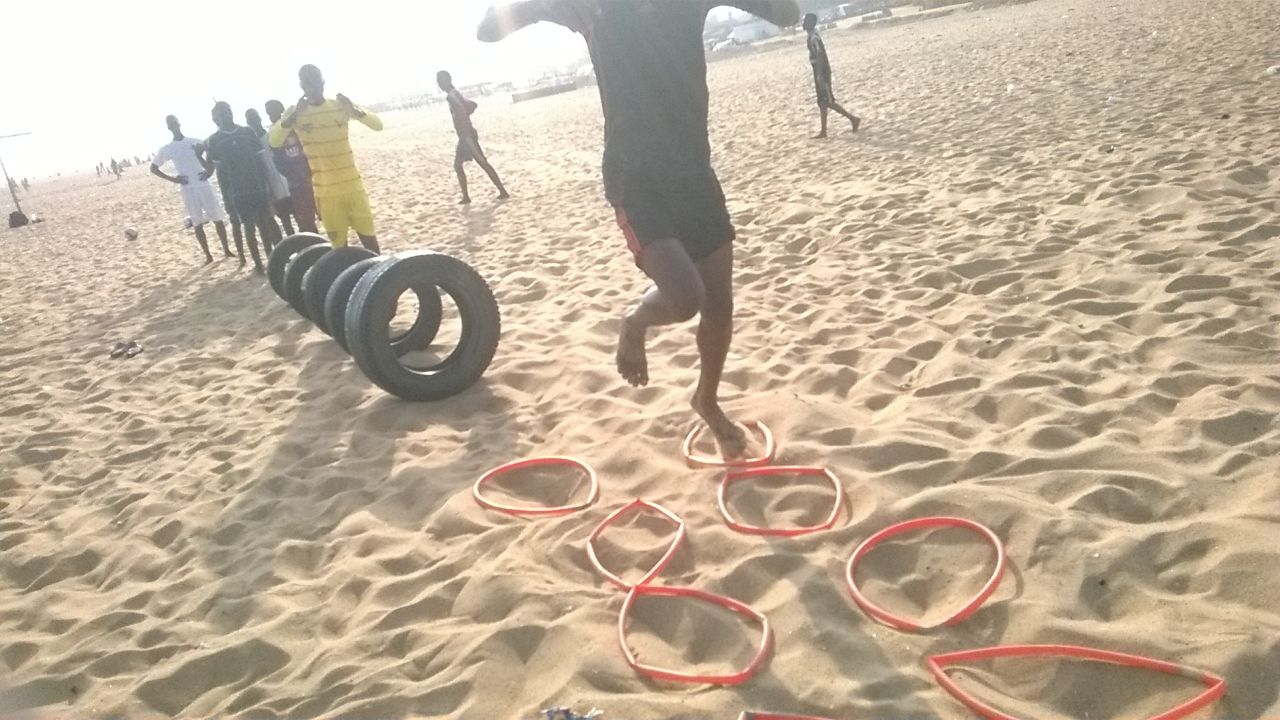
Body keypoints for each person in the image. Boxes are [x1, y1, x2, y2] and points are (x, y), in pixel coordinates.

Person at [478, 0, 799, 458]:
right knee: (685, 297)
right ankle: (634, 323)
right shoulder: (597, 9)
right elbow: (487, 29)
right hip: (636, 177)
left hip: (695, 172)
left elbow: (787, 14)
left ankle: (706, 400)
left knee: (720, 305)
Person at [269, 65, 381, 252]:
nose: (312, 88)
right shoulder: (295, 112)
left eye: (315, 82)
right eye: (307, 84)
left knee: (371, 243)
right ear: (301, 86)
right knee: (339, 249)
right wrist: (294, 115)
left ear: (322, 82)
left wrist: (354, 110)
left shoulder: (339, 105)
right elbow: (274, 141)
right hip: (326, 193)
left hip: (354, 188)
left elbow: (377, 125)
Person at [206, 101, 281, 271]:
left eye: (227, 111)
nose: (226, 115)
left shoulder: (247, 132)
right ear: (215, 118)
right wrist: (227, 198)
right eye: (221, 113)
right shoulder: (215, 140)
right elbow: (220, 173)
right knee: (249, 226)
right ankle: (258, 264)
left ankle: (272, 259)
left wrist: (268, 187)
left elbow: (261, 162)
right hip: (237, 191)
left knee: (266, 223)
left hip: (257, 185)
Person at [149, 115, 234, 264]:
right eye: (170, 124)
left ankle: (226, 250)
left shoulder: (194, 141)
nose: (173, 125)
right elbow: (154, 168)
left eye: (175, 122)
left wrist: (210, 171)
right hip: (188, 188)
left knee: (217, 218)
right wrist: (173, 179)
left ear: (179, 123)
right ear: (168, 127)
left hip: (203, 184)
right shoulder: (168, 148)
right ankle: (208, 255)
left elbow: (212, 154)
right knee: (197, 222)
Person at [437, 70, 510, 205]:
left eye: (440, 81)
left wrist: (465, 127)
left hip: (467, 136)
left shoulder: (452, 96)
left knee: (482, 162)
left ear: (447, 80)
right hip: (464, 136)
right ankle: (466, 197)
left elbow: (467, 108)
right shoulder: (454, 94)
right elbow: (471, 106)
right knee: (458, 165)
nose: (439, 84)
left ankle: (502, 191)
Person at [265, 99, 319, 234]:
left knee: (322, 215)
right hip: (296, 183)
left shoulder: (296, 128)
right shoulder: (274, 133)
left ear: (282, 111)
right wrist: (291, 175)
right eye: (269, 113)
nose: (272, 116)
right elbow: (277, 160)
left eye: (274, 112)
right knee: (306, 221)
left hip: (310, 177)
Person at [803, 12, 860, 138]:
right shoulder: (812, 36)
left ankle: (853, 119)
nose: (804, 23)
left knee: (828, 101)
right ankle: (823, 131)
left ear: (811, 23)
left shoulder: (814, 37)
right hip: (819, 71)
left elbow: (819, 55)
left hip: (822, 72)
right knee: (822, 102)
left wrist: (819, 74)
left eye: (806, 21)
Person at [245, 108, 296, 236]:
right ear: (248, 123)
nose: (255, 123)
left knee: (298, 215)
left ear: (260, 119)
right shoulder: (252, 144)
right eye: (251, 121)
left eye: (256, 119)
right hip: (274, 188)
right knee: (285, 221)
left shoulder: (271, 135)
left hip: (288, 182)